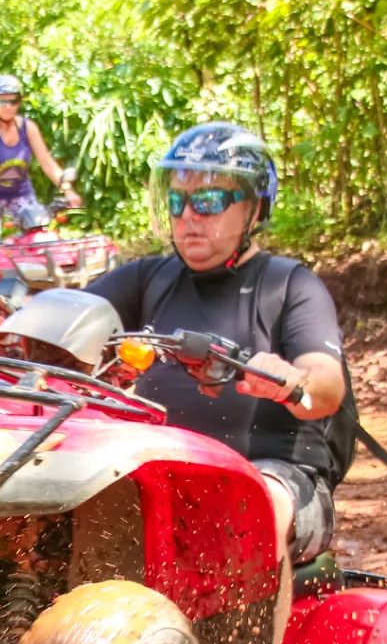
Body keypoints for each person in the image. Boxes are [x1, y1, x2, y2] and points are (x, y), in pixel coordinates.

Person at [87, 122, 350, 588]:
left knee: (248, 508)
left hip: (279, 477)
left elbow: (326, 386)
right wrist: (4, 313)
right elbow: (69, 315)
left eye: (208, 201)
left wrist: (289, 379)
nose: (188, 215)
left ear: (253, 209)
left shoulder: (291, 285)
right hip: (163, 474)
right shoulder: (150, 278)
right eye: (177, 201)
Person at [0, 75, 80, 249]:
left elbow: (48, 163)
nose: (8, 107)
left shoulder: (28, 128)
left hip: (20, 192)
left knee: (41, 236)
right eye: (2, 102)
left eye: (13, 101)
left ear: (19, 102)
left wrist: (68, 190)